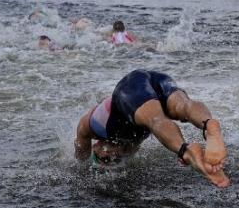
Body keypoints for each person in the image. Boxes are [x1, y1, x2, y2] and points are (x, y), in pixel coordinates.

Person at [73, 69, 229, 187]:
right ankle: (209, 124)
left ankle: (186, 151)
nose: (112, 158)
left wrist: (80, 162)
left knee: (156, 120)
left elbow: (81, 141)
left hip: (129, 90)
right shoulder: (128, 148)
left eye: (104, 157)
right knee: (183, 106)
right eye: (113, 160)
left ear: (97, 144)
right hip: (157, 80)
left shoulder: (94, 126)